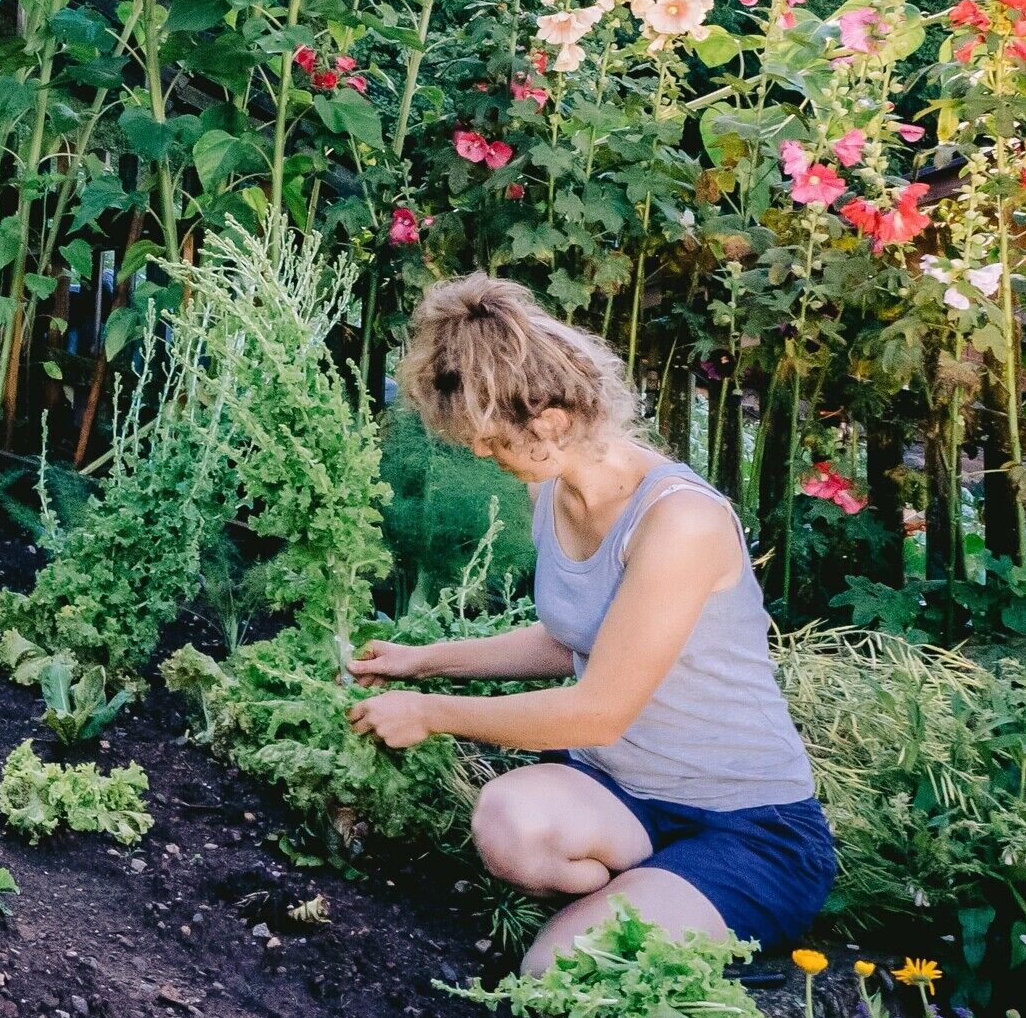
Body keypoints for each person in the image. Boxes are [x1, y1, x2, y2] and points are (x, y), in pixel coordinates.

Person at [345, 274, 836, 973]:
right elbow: (569, 637)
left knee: (554, 971)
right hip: (621, 797)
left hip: (748, 829)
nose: (483, 456)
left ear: (549, 424)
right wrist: (423, 661)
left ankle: (673, 905)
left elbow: (599, 709)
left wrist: (431, 712)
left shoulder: (679, 522)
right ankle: (646, 895)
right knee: (508, 824)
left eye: (492, 441)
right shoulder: (552, 492)